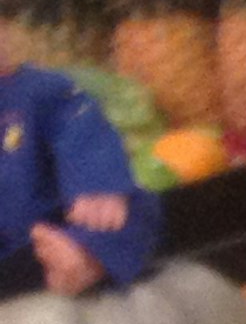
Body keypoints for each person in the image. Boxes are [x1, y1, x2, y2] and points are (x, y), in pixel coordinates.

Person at [0, 56, 151, 297]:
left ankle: (87, 259)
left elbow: (78, 127)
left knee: (133, 206)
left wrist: (96, 182)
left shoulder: (36, 91)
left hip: (57, 226)